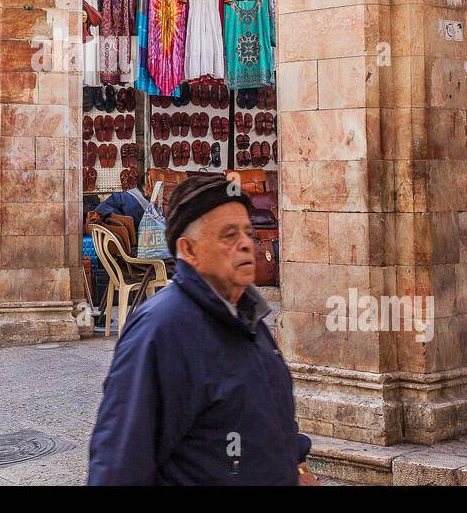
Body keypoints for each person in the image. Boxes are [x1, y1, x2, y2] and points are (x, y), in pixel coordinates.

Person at [87, 172, 316, 486]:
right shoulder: (160, 330)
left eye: (248, 232)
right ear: (189, 250)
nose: (247, 244)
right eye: (228, 235)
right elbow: (118, 465)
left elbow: (271, 412)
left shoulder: (248, 315)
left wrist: (298, 465)